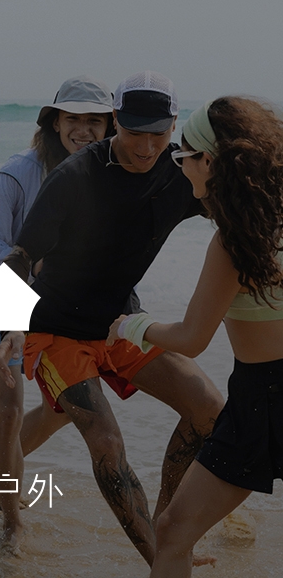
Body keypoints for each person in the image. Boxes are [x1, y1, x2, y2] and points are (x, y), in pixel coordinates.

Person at [0, 72, 225, 565]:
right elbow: (21, 255)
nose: (146, 146)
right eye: (134, 131)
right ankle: (160, 558)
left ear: (175, 126)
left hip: (119, 323)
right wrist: (11, 322)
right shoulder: (75, 177)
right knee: (105, 442)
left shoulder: (181, 172)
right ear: (116, 120)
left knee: (209, 409)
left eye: (158, 134)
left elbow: (238, 210)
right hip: (55, 330)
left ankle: (168, 523)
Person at [107, 97, 283, 577]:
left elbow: (191, 339)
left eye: (183, 156)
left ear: (210, 161)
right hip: (260, 396)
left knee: (173, 532)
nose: (180, 167)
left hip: (261, 399)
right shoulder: (271, 224)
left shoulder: (235, 241)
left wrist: (129, 326)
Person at [0, 75, 114, 547]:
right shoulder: (19, 172)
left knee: (68, 404)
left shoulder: (108, 175)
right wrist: (34, 261)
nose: (83, 130)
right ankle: (11, 520)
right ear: (54, 123)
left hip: (56, 300)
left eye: (95, 121)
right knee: (9, 409)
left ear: (110, 127)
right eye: (73, 119)